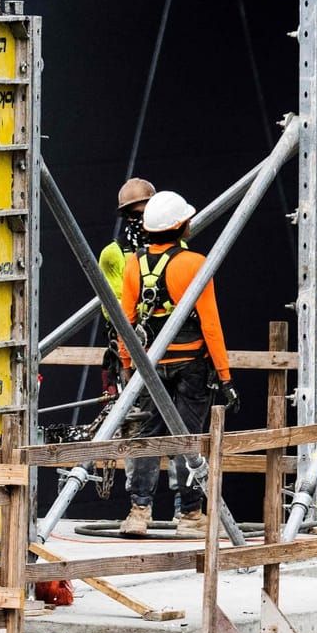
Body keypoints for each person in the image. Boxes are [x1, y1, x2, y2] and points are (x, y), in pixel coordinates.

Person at [116, 190, 238, 537]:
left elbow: (125, 321)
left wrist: (127, 365)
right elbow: (210, 323)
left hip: (149, 365)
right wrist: (226, 377)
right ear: (181, 224)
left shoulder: (133, 265)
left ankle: (138, 512)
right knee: (188, 438)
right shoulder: (194, 263)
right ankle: (189, 516)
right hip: (191, 364)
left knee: (148, 437)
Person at [95, 178, 155, 395]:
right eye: (135, 215)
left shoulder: (176, 247)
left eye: (145, 213)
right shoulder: (113, 254)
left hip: (171, 348)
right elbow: (113, 307)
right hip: (129, 347)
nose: (140, 221)